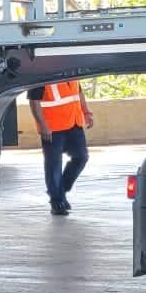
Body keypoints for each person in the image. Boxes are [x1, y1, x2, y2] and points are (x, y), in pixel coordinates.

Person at [28, 81, 93, 216]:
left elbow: (78, 92)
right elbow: (34, 102)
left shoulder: (72, 70)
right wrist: (43, 125)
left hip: (75, 122)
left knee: (81, 157)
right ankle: (57, 202)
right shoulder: (42, 73)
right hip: (52, 127)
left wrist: (86, 112)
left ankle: (60, 190)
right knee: (54, 164)